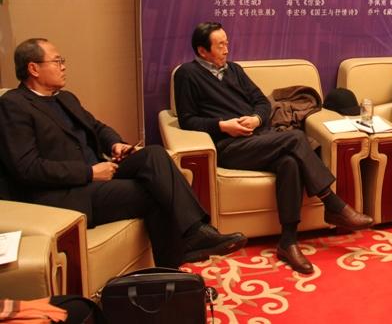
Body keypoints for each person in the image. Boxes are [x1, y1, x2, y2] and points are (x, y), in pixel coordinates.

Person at [0, 38, 246, 268]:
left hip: (100, 173)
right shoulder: (14, 104)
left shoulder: (65, 98)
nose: (63, 66)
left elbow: (98, 128)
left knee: (154, 154)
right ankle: (173, 263)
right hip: (68, 191)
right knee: (153, 193)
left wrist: (115, 144)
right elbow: (26, 167)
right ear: (33, 68)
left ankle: (194, 231)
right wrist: (89, 172)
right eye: (57, 61)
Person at [173, 21, 373, 274]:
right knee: (295, 138)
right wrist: (223, 126)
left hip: (260, 138)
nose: (227, 49)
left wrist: (257, 119)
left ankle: (288, 241)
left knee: (289, 162)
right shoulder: (187, 75)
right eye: (220, 45)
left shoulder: (234, 70)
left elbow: (262, 102)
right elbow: (187, 120)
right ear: (202, 51)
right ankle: (332, 203)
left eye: (227, 43)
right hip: (229, 146)